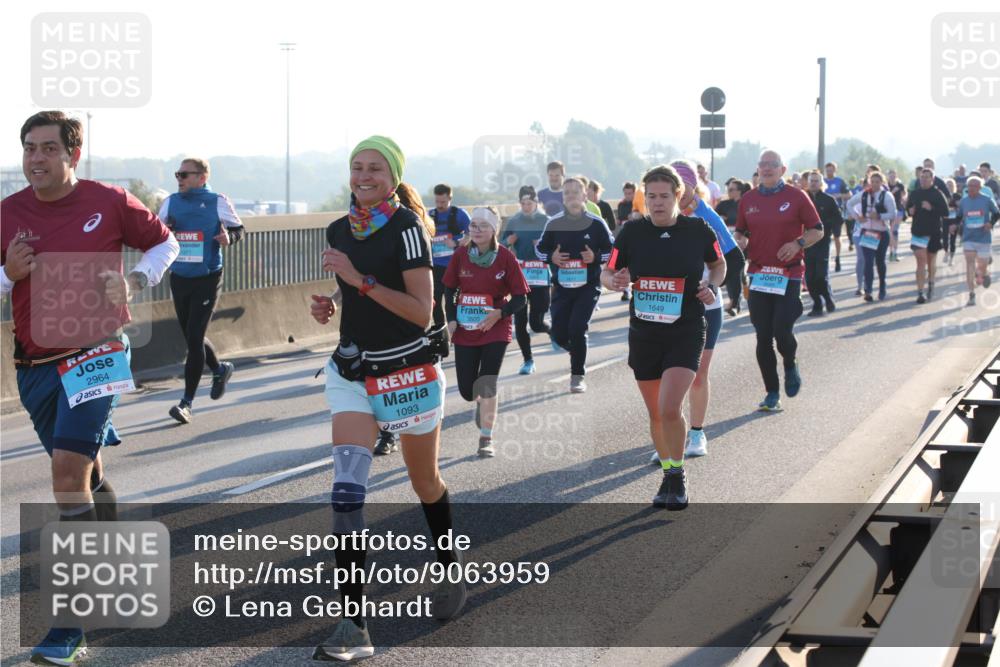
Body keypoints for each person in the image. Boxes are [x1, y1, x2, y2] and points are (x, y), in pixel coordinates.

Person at [2, 110, 179, 665]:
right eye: (29, 148)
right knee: (84, 467)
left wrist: (132, 278)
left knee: (65, 474)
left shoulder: (109, 201)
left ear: (72, 154)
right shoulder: (7, 213)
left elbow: (165, 245)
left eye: (48, 148)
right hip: (34, 365)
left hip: (98, 351)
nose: (36, 158)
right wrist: (9, 273)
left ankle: (69, 626)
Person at [310, 136, 464, 661]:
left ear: (393, 176)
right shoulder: (338, 228)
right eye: (356, 167)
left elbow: (421, 310)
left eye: (375, 168)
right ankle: (354, 626)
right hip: (352, 372)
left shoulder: (407, 230)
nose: (363, 175)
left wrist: (357, 279)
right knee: (347, 494)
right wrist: (334, 300)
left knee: (425, 482)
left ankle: (448, 565)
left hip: (407, 375)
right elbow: (355, 288)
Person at [603, 164, 724, 509]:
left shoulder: (697, 229)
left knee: (670, 407)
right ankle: (669, 469)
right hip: (644, 333)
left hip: (686, 329)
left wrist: (712, 286)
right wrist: (611, 281)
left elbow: (719, 264)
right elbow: (608, 270)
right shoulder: (630, 233)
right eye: (651, 196)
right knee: (656, 414)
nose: (657, 203)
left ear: (678, 196)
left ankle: (677, 475)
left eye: (664, 196)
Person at [734, 149, 823, 412]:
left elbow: (817, 230)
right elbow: (740, 230)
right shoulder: (748, 198)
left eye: (772, 164)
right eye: (762, 164)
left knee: (782, 330)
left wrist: (797, 244)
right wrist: (740, 240)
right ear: (758, 169)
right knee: (763, 336)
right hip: (759, 274)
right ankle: (772, 393)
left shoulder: (797, 196)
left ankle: (790, 362)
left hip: (789, 273)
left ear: (782, 169)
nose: (766, 168)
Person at [658, 159, 736, 459]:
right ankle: (670, 436)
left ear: (691, 186)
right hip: (667, 307)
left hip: (705, 306)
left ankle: (697, 433)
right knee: (666, 376)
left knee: (698, 373)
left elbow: (728, 259)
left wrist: (717, 287)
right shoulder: (657, 220)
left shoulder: (706, 219)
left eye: (682, 184)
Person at [160, 157, 244, 424]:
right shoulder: (170, 202)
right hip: (180, 276)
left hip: (208, 277)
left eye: (184, 174)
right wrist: (166, 231)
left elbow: (239, 228)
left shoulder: (217, 201)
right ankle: (219, 369)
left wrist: (228, 238)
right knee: (191, 336)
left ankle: (186, 403)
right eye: (178, 174)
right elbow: (155, 232)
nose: (179, 179)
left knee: (195, 339)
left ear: (202, 177)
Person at [444, 207, 529, 456]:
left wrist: (498, 314)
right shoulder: (461, 255)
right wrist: (450, 320)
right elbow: (449, 290)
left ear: (494, 230)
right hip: (466, 327)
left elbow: (520, 298)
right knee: (467, 390)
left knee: (487, 381)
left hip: (495, 326)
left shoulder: (505, 257)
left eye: (483, 225)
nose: (477, 230)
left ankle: (486, 438)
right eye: (473, 225)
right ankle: (479, 402)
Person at [535, 177, 613, 394]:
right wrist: (553, 257)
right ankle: (577, 350)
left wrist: (595, 257)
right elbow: (540, 251)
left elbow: (612, 250)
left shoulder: (597, 224)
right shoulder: (554, 223)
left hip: (588, 287)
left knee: (578, 328)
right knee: (559, 335)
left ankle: (577, 375)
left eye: (575, 192)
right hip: (561, 288)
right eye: (567, 193)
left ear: (584, 196)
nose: (571, 196)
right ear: (563, 198)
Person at [503, 186, 552, 375]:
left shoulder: (546, 221)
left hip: (540, 275)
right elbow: (500, 243)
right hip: (521, 276)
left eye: (529, 203)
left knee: (536, 323)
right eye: (522, 203)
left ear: (536, 203)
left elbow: (557, 244)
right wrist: (509, 241)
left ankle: (550, 330)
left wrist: (543, 246)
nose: (525, 206)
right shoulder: (515, 220)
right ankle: (528, 360)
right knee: (520, 321)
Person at [847, 171, 896, 302]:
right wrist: (858, 217)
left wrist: (880, 216)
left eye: (877, 182)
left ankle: (882, 286)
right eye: (872, 181)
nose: (874, 184)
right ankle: (868, 290)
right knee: (868, 261)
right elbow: (849, 203)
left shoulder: (887, 196)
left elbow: (893, 213)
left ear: (882, 182)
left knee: (880, 261)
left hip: (881, 231)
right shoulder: (864, 194)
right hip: (868, 231)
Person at [954, 176, 1000, 306]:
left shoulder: (987, 200)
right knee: (969, 264)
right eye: (970, 186)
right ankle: (971, 294)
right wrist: (954, 225)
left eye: (975, 186)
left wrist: (990, 223)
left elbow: (997, 214)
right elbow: (958, 216)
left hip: (984, 237)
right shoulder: (964, 201)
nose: (972, 188)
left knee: (982, 267)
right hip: (969, 237)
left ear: (980, 187)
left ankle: (984, 274)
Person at [906, 168, 950, 303]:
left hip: (934, 232)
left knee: (931, 262)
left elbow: (946, 212)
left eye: (926, 177)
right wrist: (910, 211)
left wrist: (932, 208)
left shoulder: (937, 193)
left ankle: (930, 283)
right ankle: (920, 292)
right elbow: (908, 209)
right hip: (918, 232)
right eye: (922, 177)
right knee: (921, 262)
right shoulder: (914, 193)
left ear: (932, 179)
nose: (923, 179)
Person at [804, 171, 842, 315]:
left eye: (816, 181)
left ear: (821, 183)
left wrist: (825, 225)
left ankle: (827, 297)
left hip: (823, 242)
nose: (813, 183)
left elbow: (839, 219)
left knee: (820, 275)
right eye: (811, 181)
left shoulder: (828, 200)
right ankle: (817, 304)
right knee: (809, 277)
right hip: (806, 243)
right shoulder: (803, 199)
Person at [715, 179, 751, 314]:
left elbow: (750, 222)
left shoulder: (746, 204)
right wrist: (720, 218)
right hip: (727, 244)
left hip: (744, 242)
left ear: (739, 191)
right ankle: (735, 303)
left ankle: (744, 293)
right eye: (728, 189)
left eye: (731, 190)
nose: (728, 192)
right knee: (733, 273)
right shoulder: (723, 204)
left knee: (741, 274)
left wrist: (745, 237)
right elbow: (714, 218)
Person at [823, 162, 850, 270]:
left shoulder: (840, 181)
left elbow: (849, 195)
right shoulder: (822, 181)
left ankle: (838, 257)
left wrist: (838, 195)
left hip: (836, 213)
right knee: (825, 237)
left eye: (831, 170)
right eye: (827, 170)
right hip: (823, 213)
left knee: (837, 236)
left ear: (835, 170)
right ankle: (825, 257)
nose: (829, 172)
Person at [886, 169, 907, 262]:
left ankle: (894, 252)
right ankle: (891, 251)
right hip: (888, 210)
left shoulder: (900, 185)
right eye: (890, 175)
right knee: (889, 231)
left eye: (894, 175)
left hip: (898, 209)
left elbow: (904, 195)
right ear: (888, 176)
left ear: (896, 176)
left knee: (894, 231)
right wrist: (892, 192)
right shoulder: (886, 186)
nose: (892, 177)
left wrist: (904, 200)